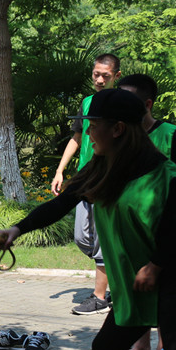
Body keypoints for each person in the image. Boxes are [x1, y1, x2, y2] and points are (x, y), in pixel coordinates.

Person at [0, 89, 176, 350]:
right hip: (134, 288)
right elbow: (62, 202)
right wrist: (18, 228)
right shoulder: (102, 168)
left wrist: (157, 264)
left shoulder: (165, 175)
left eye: (93, 125)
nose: (87, 133)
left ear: (118, 129)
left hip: (169, 282)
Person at [51, 54, 122, 315]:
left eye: (105, 75)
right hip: (85, 178)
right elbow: (77, 137)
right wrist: (60, 170)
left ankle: (99, 297)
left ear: (116, 75)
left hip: (111, 177)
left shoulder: (123, 104)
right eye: (96, 74)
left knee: (103, 240)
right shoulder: (87, 102)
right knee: (83, 237)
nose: (100, 79)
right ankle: (116, 275)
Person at [115, 74, 176, 350]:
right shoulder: (119, 139)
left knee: (165, 302)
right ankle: (141, 349)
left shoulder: (171, 136)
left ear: (147, 104)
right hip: (132, 239)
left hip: (165, 237)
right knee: (135, 296)